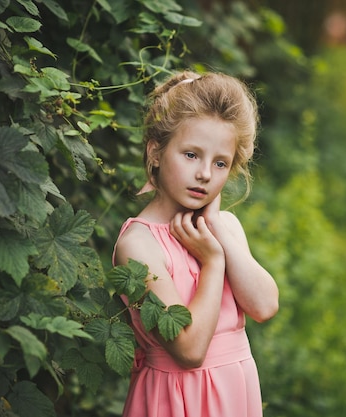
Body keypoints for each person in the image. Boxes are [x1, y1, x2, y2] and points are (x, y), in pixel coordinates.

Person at [112, 70, 279, 417]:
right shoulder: (139, 244)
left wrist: (216, 224)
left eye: (220, 163)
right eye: (191, 155)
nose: (205, 173)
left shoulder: (224, 227)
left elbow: (264, 306)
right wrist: (213, 264)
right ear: (155, 152)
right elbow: (189, 349)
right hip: (175, 399)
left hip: (233, 394)